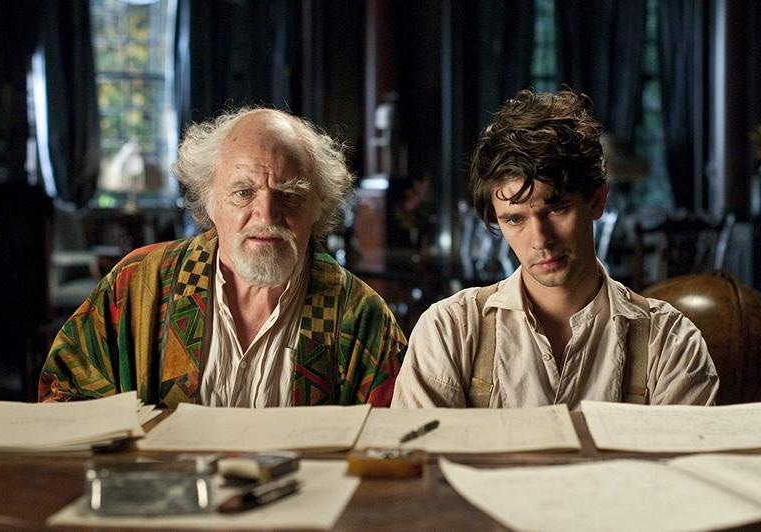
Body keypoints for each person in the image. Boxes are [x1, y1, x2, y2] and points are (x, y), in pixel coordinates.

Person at [40, 108, 406, 407]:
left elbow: (391, 447)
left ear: (317, 206)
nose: (266, 214)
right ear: (210, 199)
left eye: (290, 195)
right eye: (244, 192)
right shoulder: (137, 285)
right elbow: (64, 395)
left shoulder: (363, 318)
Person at [392, 89, 718, 409]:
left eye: (556, 209)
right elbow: (420, 445)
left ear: (597, 200)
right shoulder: (451, 331)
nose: (540, 239)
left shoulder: (669, 342)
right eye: (515, 219)